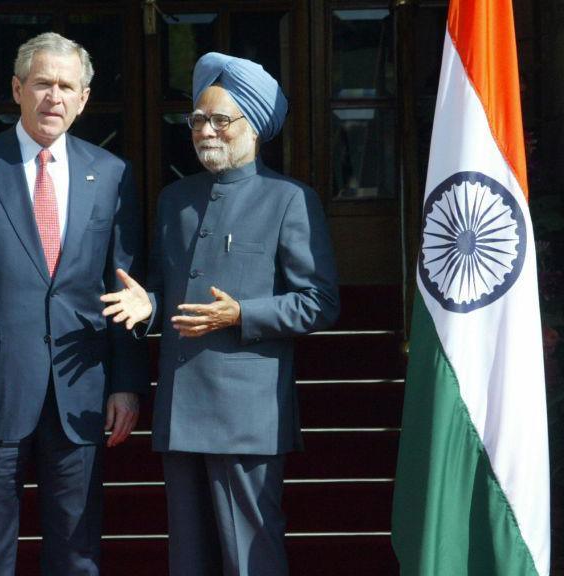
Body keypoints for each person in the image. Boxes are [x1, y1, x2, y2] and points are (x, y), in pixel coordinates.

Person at [0, 32, 148, 576]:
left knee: (77, 549)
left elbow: (125, 289)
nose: (53, 97)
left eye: (67, 86)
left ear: (84, 98)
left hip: (79, 391)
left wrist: (127, 382)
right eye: (42, 83)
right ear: (17, 89)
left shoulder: (111, 175)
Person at [101, 52, 340, 575]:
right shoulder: (174, 200)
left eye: (220, 120)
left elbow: (320, 301)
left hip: (246, 414)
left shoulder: (289, 199)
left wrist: (242, 315)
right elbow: (168, 295)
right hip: (181, 409)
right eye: (197, 120)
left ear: (253, 128)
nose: (205, 130)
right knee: (189, 558)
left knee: (249, 554)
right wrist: (149, 307)